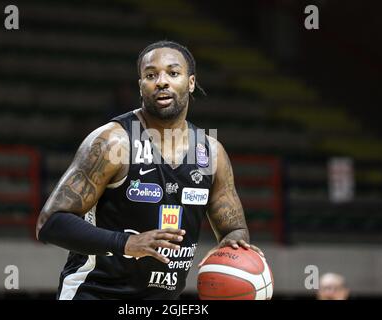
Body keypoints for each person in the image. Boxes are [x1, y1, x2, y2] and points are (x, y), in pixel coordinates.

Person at [36, 40, 263, 300]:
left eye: (173, 73)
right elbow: (50, 223)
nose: (161, 82)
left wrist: (231, 249)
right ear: (141, 86)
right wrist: (127, 243)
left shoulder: (211, 153)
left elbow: (233, 230)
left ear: (190, 82)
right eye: (151, 75)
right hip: (94, 293)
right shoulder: (113, 142)